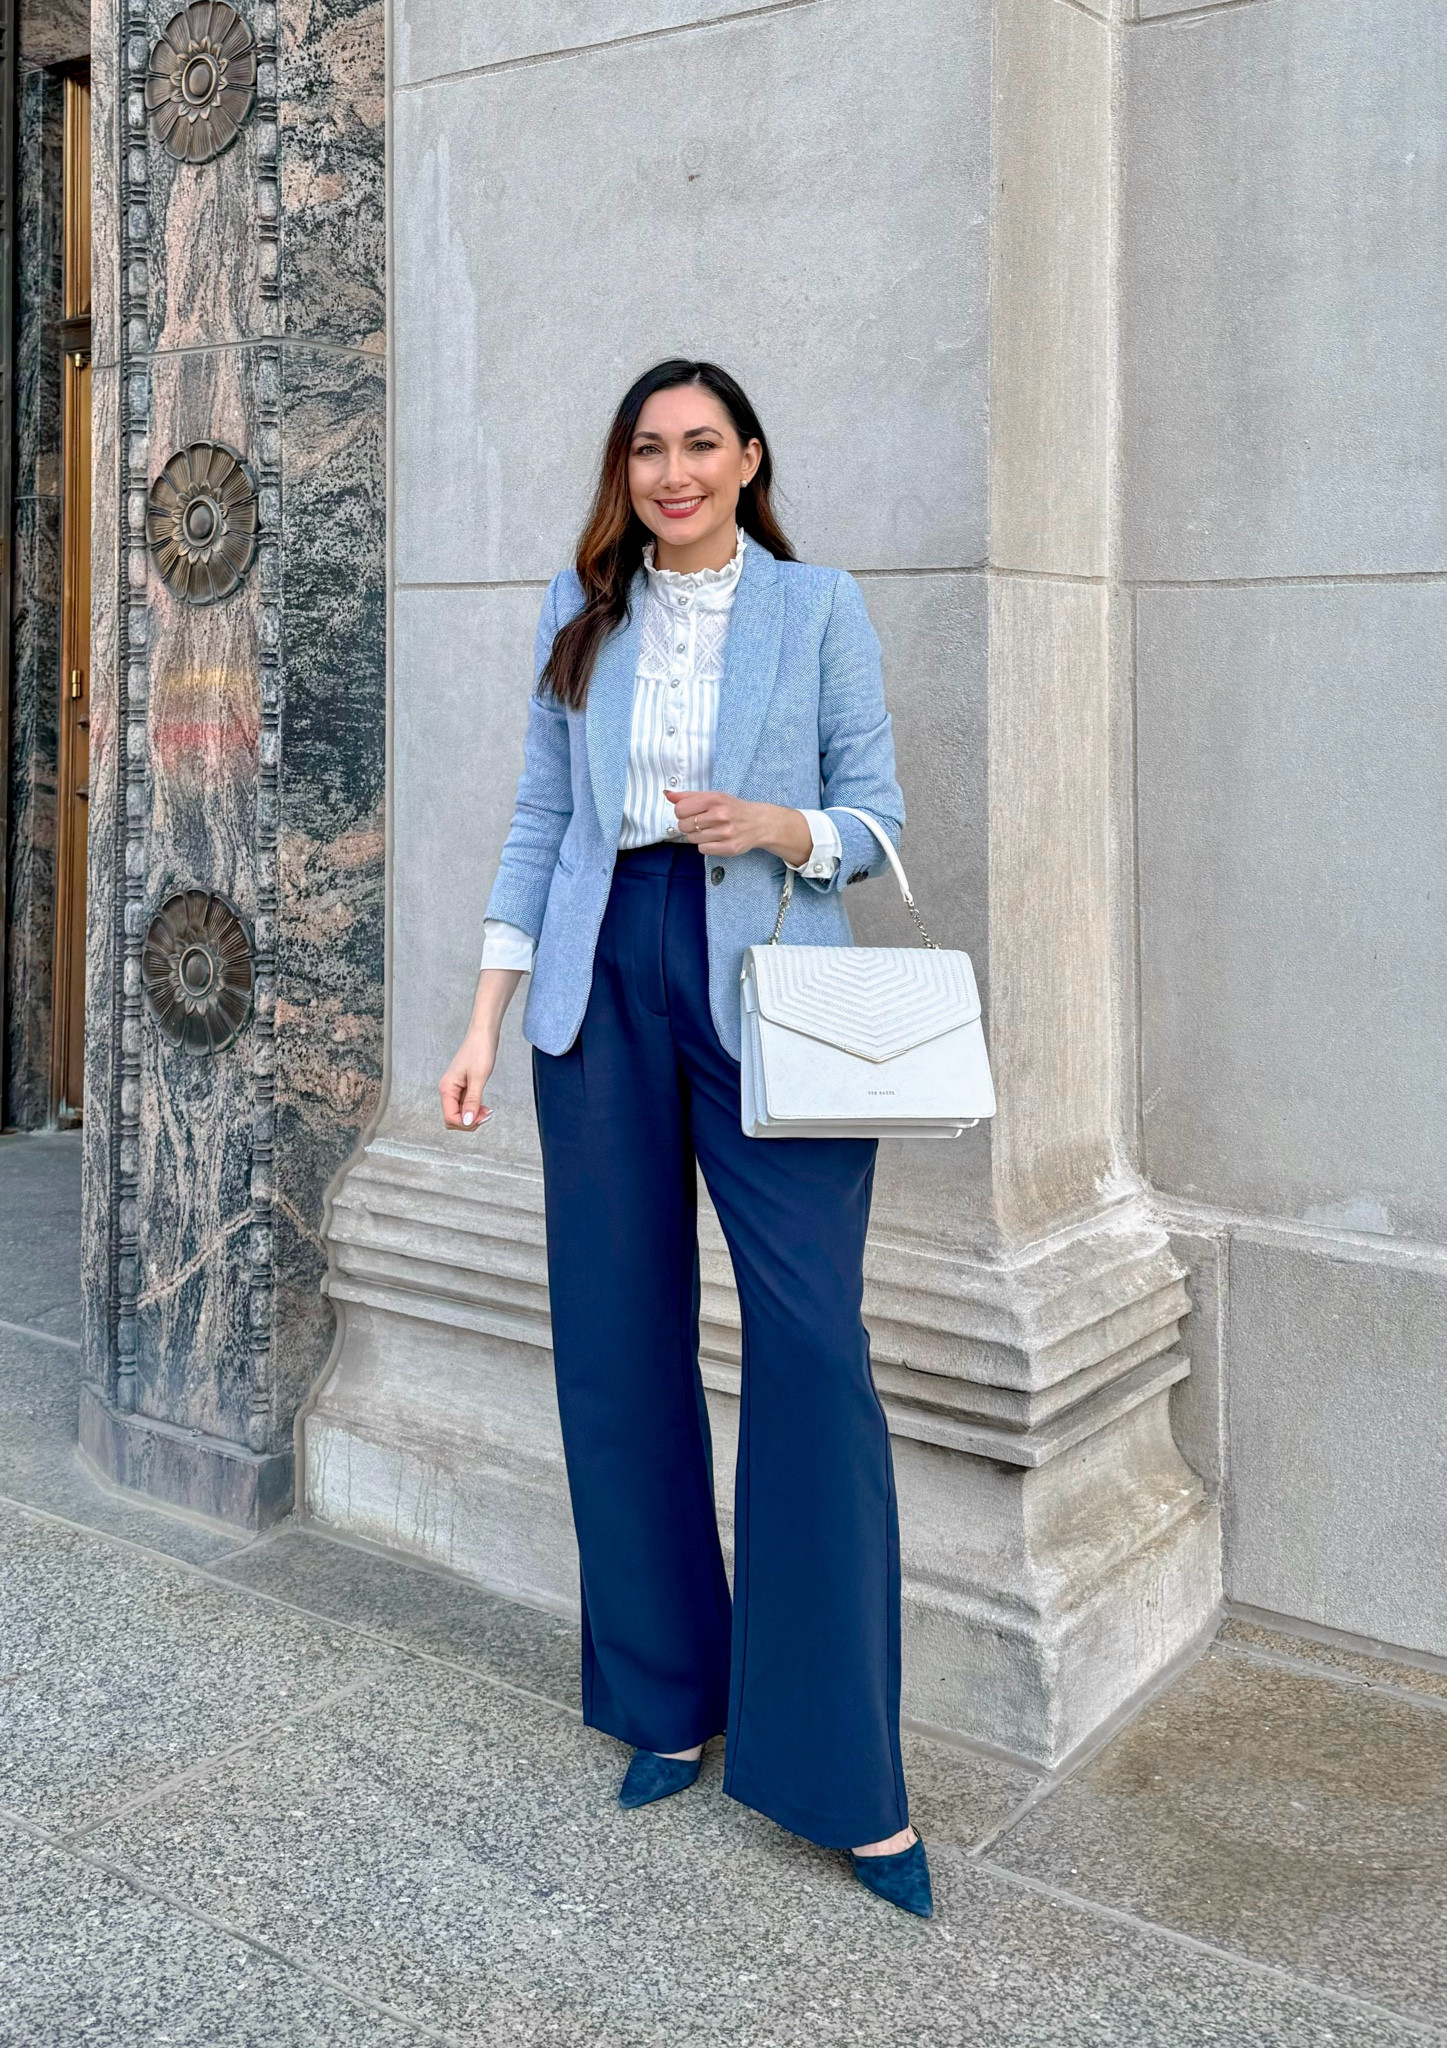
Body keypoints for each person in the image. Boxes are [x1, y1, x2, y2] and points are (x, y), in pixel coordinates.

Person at [438, 359, 930, 1917]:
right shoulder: (581, 614)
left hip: (766, 977)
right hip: (596, 987)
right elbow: (538, 823)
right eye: (647, 449)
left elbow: (879, 815)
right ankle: (666, 1699)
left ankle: (842, 1776)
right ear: (625, 470)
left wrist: (785, 828)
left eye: (700, 444)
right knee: (617, 1346)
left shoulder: (821, 604)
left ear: (748, 457)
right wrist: (480, 1020)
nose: (673, 471)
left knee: (811, 1355)